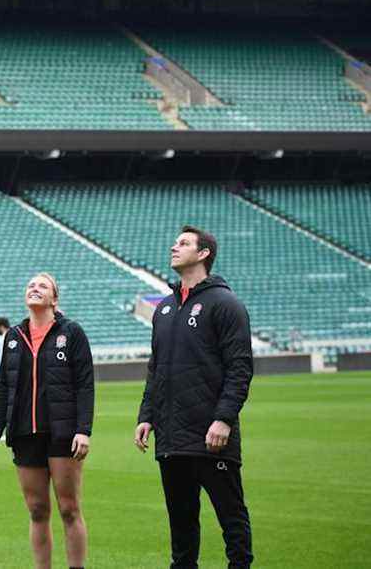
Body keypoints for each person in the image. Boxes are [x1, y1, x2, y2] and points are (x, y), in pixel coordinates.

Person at [134, 225, 254, 569]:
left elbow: (240, 368)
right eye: (175, 242)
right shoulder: (165, 309)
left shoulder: (226, 304)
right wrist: (146, 416)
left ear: (203, 254)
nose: (174, 247)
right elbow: (156, 368)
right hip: (172, 437)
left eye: (183, 243)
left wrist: (223, 419)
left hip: (212, 436)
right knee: (181, 532)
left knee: (232, 521)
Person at [0, 274, 94, 569]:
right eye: (31, 285)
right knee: (37, 510)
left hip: (63, 432)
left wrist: (83, 430)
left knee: (69, 508)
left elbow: (85, 385)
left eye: (43, 286)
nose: (35, 288)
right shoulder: (14, 337)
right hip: (24, 433)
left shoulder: (71, 333)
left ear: (54, 299)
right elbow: (4, 388)